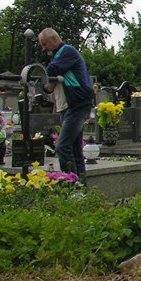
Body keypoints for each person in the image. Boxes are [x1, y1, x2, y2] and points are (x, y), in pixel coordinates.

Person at [38, 28, 94, 181]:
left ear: (54, 39)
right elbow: (49, 86)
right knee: (75, 150)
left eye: (44, 44)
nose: (43, 49)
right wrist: (46, 84)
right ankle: (81, 187)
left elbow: (50, 72)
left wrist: (37, 75)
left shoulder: (66, 51)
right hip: (67, 107)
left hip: (77, 104)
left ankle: (71, 184)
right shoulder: (58, 57)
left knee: (62, 147)